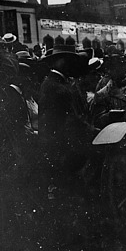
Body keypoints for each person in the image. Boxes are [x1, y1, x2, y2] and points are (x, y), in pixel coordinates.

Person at [38, 36, 99, 197]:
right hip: (63, 151)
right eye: (69, 60)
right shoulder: (59, 88)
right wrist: (95, 132)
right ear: (60, 61)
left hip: (54, 148)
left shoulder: (51, 83)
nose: (72, 64)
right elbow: (72, 122)